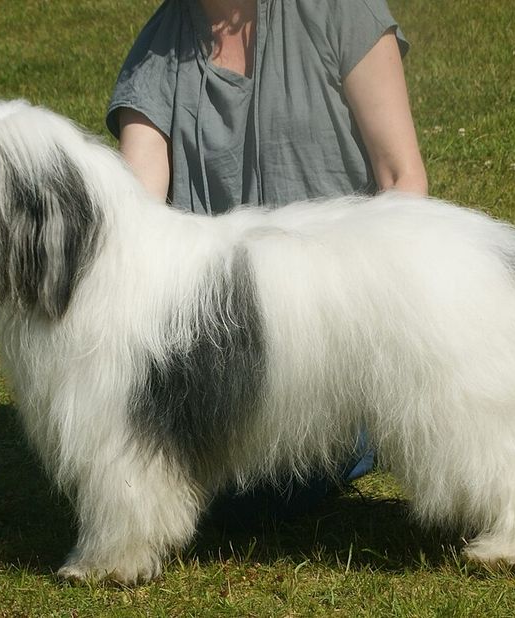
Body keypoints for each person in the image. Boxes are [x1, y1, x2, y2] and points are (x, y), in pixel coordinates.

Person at [106, 0, 427, 521]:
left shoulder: (339, 12)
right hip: (220, 361)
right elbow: (133, 218)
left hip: (339, 349)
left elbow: (402, 181)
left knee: (279, 488)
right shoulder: (158, 48)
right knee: (236, 494)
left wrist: (395, 338)